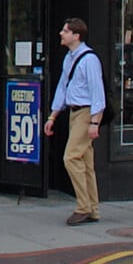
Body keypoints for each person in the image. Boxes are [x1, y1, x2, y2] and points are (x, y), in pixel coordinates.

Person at [42, 15, 104, 226]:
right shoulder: (69, 58)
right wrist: (53, 115)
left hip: (86, 113)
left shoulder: (89, 60)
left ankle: (83, 207)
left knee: (70, 158)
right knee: (85, 163)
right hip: (74, 112)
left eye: (66, 31)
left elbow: (98, 93)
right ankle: (93, 209)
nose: (61, 33)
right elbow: (62, 87)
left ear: (76, 35)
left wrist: (95, 122)